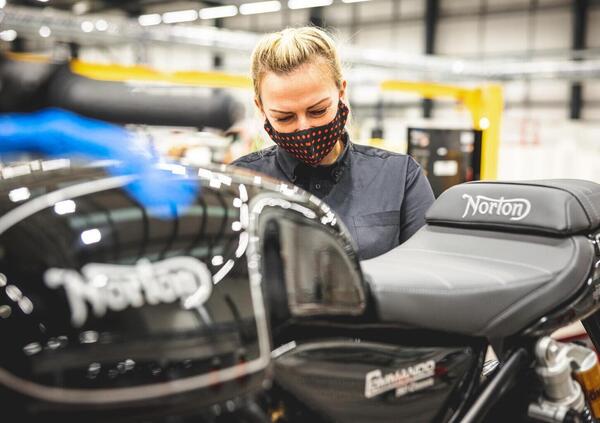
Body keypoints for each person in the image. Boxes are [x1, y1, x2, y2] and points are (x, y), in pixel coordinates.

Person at [232, 26, 435, 260]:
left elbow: (427, 270)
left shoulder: (399, 177)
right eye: (284, 117)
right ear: (261, 108)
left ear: (341, 92)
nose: (304, 128)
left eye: (318, 110)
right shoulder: (239, 183)